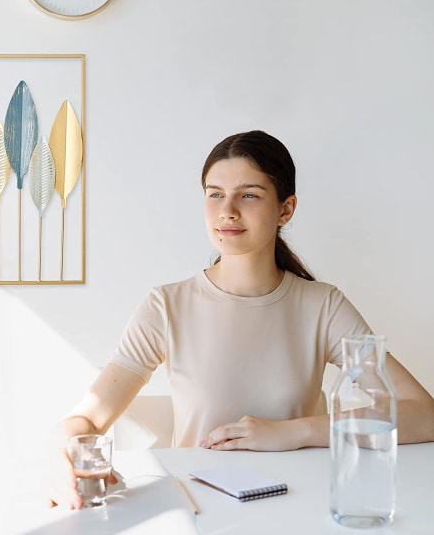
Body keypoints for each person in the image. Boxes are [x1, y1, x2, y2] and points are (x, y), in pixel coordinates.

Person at [46, 130, 434, 509]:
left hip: (302, 507)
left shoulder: (323, 305)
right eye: (215, 194)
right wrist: (60, 451)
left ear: (286, 209)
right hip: (198, 510)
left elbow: (425, 414)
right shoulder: (166, 305)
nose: (227, 210)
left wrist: (293, 432)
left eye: (248, 194)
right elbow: (87, 418)